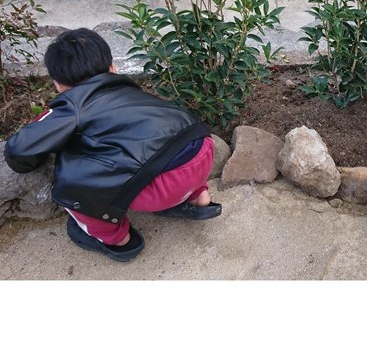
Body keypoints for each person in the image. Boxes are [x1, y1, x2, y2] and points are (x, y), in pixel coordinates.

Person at [4, 28, 221, 262]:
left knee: (72, 183)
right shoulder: (129, 90)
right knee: (169, 152)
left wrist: (31, 163)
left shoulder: (71, 107)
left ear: (58, 84)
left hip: (161, 185)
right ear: (113, 68)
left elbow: (20, 148)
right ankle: (200, 199)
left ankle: (118, 240)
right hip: (201, 149)